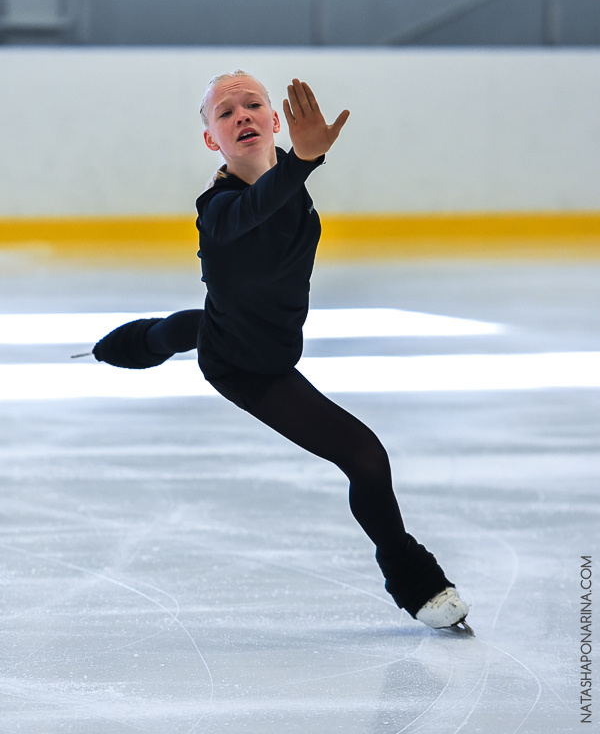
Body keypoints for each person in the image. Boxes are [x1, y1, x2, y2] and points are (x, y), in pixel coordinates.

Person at [90, 70, 473, 634]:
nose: (241, 115)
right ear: (210, 141)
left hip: (245, 329)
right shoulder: (217, 209)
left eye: (252, 105)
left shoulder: (293, 187)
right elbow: (254, 212)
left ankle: (146, 340)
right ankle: (417, 583)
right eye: (225, 112)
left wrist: (297, 168)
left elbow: (278, 201)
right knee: (365, 457)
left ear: (275, 121)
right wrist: (301, 162)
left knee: (188, 326)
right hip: (247, 365)